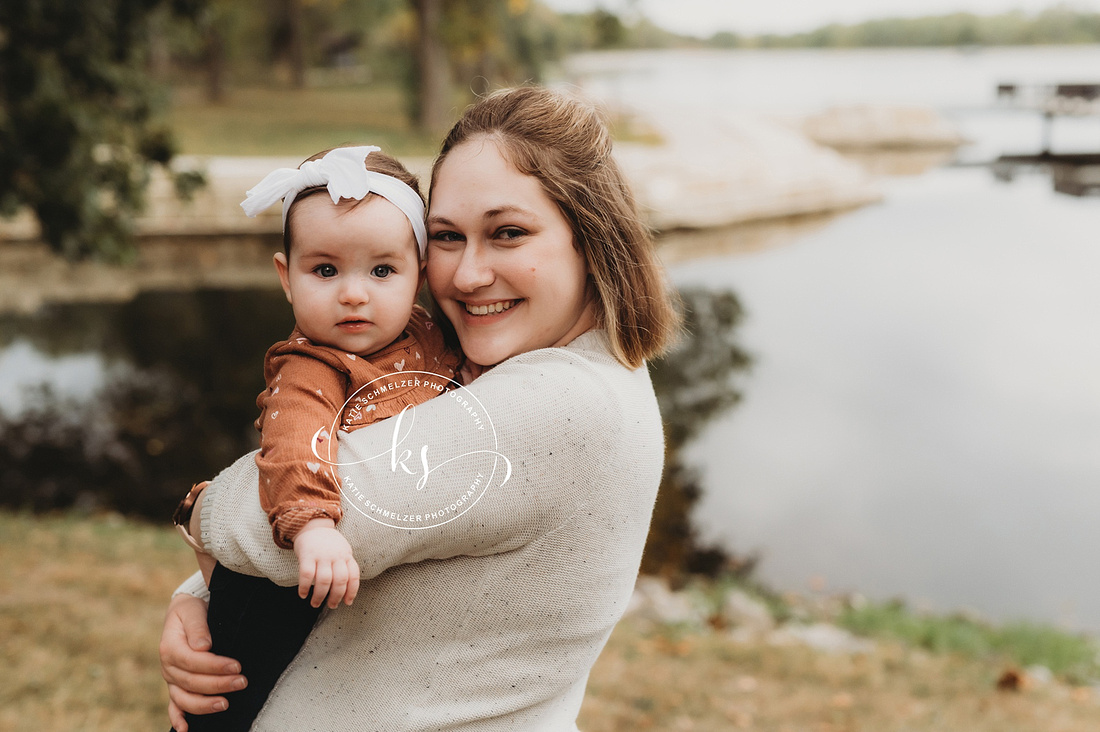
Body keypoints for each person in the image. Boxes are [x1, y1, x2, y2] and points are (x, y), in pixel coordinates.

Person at [161, 85, 681, 732]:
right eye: (446, 237)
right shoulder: (561, 375)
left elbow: (277, 523)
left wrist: (198, 511)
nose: (465, 276)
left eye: (508, 233)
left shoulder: (563, 407)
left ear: (591, 238)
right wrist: (204, 599)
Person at [176, 145, 460, 730]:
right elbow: (293, 441)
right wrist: (312, 526)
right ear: (287, 277)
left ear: (420, 273)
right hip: (281, 579)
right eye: (325, 270)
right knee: (232, 694)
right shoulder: (311, 367)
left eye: (382, 271)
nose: (353, 293)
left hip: (359, 602)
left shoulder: (430, 336)